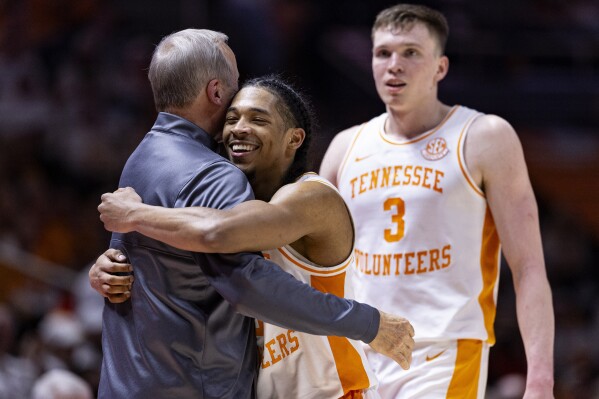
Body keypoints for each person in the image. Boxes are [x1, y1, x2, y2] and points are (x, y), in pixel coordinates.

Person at [92, 28, 413, 399]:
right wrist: (110, 265)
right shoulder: (220, 180)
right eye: (232, 117)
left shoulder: (310, 197)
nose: (239, 129)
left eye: (258, 119)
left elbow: (219, 234)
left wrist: (136, 215)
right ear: (216, 94)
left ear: (294, 139)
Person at [318, 4, 555, 398]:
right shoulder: (345, 147)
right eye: (383, 53)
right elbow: (316, 267)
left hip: (442, 353)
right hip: (359, 355)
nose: (394, 65)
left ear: (440, 67)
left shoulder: (484, 136)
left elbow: (529, 267)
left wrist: (541, 381)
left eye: (411, 52)